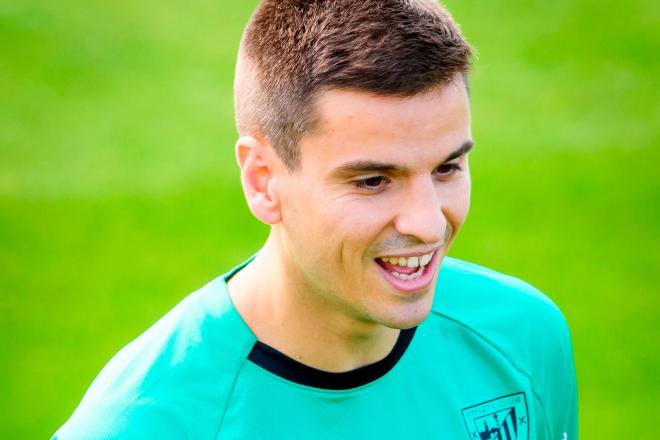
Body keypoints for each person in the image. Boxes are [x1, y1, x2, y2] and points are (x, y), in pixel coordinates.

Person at [53, 0, 578, 439]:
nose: (427, 224)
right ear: (262, 181)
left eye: (448, 167)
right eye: (372, 180)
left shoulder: (524, 337)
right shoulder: (139, 425)